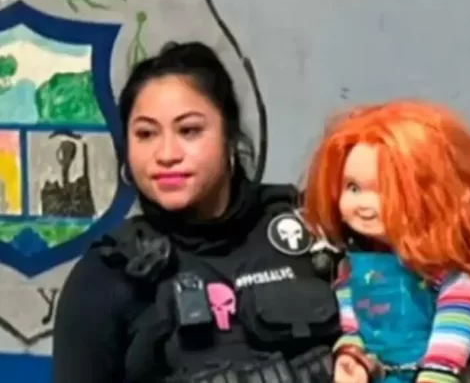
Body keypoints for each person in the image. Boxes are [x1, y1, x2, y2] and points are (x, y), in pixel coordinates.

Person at [52, 41, 340, 383]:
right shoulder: (105, 276)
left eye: (189, 130)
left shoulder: (314, 228)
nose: (166, 154)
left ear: (229, 136)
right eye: (146, 134)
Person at [302, 101, 470, 383]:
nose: (364, 204)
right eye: (353, 187)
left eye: (386, 190)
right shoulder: (350, 265)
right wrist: (352, 355)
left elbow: (457, 318)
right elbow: (353, 324)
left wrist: (439, 372)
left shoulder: (442, 269)